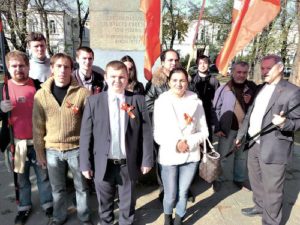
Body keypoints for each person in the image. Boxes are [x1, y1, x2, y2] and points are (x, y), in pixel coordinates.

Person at [79, 60, 153, 225]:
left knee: (127, 206)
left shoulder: (137, 100)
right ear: (105, 77)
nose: (117, 81)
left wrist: (147, 159)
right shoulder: (94, 102)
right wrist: (85, 164)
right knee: (104, 206)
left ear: (127, 78)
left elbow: (146, 132)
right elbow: (85, 135)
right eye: (113, 76)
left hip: (128, 164)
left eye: (122, 77)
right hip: (103, 164)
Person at [235, 55, 300, 225]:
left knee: (273, 189)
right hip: (254, 143)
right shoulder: (261, 87)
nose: (264, 72)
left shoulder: (292, 91)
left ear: (280, 68)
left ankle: (271, 221)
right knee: (255, 180)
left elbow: (298, 121)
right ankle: (259, 206)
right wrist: (241, 135)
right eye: (262, 68)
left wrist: (285, 123)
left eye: (268, 68)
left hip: (274, 148)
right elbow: (250, 113)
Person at [32, 53, 92, 225]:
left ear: (72, 70)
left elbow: (89, 125)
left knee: (81, 187)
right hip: (52, 150)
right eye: (58, 66)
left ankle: (85, 217)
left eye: (66, 67)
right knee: (57, 189)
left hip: (76, 148)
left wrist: (88, 152)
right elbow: (37, 127)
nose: (62, 70)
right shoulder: (41, 95)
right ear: (51, 68)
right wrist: (40, 153)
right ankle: (59, 217)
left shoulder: (82, 93)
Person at [0, 51, 53, 225]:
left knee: (43, 176)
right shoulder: (4, 89)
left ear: (28, 66)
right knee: (22, 179)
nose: (18, 69)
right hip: (18, 144)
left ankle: (48, 204)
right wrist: (0, 109)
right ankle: (24, 207)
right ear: (8, 68)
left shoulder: (37, 86)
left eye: (22, 65)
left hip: (38, 143)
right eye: (14, 66)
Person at [153, 67, 209, 225]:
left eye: (182, 80)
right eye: (175, 80)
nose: (179, 84)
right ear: (169, 82)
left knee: (183, 192)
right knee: (170, 194)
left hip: (190, 156)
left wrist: (189, 142)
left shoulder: (196, 102)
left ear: (187, 82)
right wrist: (176, 144)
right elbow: (157, 134)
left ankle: (179, 219)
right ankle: (167, 216)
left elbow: (204, 131)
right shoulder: (161, 102)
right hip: (169, 156)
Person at [212, 61, 257, 191]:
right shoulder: (223, 89)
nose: (241, 75)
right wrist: (218, 128)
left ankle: (239, 179)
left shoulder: (252, 88)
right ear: (232, 72)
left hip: (244, 130)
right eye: (238, 72)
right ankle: (217, 179)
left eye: (244, 72)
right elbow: (215, 109)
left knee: (241, 157)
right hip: (227, 130)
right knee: (222, 156)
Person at [190, 55, 220, 140]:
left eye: (205, 63)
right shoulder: (192, 80)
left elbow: (217, 99)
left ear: (208, 64)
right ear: (197, 64)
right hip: (194, 113)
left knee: (207, 137)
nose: (202, 65)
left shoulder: (214, 80)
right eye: (200, 63)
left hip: (208, 113)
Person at [145, 49, 180, 119]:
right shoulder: (154, 82)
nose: (174, 63)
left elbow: (195, 99)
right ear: (163, 62)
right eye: (170, 60)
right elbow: (147, 103)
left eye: (176, 60)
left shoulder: (185, 80)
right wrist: (166, 109)